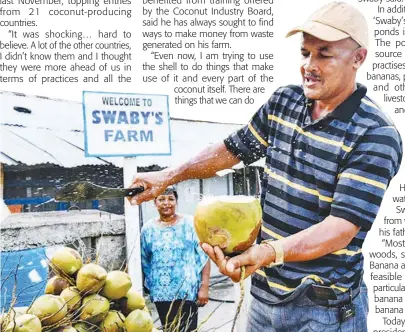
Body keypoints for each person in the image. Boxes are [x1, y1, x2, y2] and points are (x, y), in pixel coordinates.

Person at [132, 2, 402, 331]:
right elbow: (231, 149)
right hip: (263, 298)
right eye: (305, 53)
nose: (309, 66)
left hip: (323, 309)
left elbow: (341, 229)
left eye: (324, 54)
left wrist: (266, 253)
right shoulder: (284, 102)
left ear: (358, 58)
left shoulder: (375, 134)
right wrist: (167, 176)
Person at [140, 186, 210, 332]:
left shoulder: (190, 224)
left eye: (171, 199)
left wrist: (204, 287)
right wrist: (150, 286)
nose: (166, 203)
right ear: (155, 203)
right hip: (161, 294)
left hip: (187, 292)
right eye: (161, 199)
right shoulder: (147, 229)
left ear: (176, 202)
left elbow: (204, 256)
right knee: (169, 329)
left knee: (188, 329)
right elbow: (144, 260)